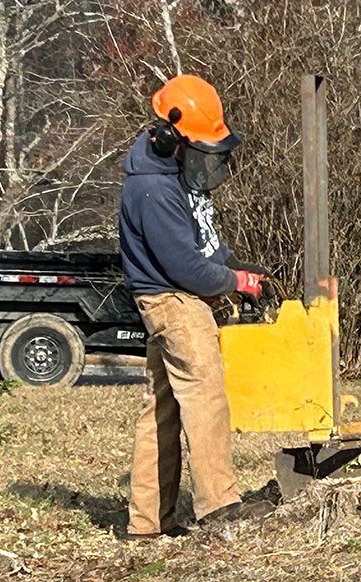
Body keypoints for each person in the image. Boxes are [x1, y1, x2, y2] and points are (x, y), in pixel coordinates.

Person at [117, 74, 273, 539]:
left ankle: (147, 521)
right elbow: (187, 267)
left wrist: (233, 263)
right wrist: (235, 281)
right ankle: (219, 504)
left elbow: (202, 240)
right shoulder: (154, 191)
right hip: (175, 302)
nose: (211, 160)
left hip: (172, 299)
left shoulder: (177, 178)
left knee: (160, 410)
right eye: (203, 148)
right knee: (205, 397)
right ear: (170, 138)